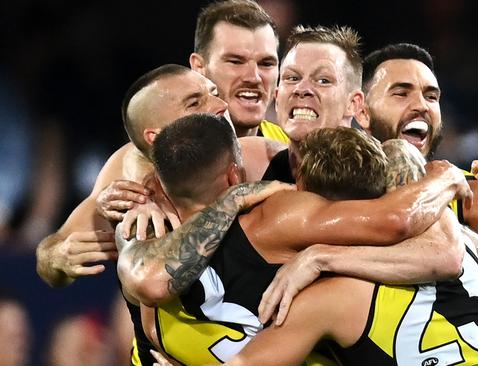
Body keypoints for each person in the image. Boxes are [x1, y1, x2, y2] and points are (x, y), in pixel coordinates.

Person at [117, 114, 470, 365]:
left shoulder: (137, 246)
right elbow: (397, 220)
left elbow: (149, 280)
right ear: (234, 175)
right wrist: (443, 176)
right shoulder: (279, 219)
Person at [35, 64, 290, 366]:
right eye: (195, 103)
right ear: (155, 137)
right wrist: (58, 257)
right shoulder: (127, 183)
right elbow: (50, 261)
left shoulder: (265, 157)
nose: (221, 106)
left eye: (213, 94)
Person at [259, 42, 478, 322]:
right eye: (401, 93)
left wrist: (439, 221)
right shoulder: (331, 187)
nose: (421, 106)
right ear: (361, 111)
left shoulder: (470, 190)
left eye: (431, 96)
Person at [188, 0, 288, 140]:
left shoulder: (293, 152)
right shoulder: (166, 152)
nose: (254, 77)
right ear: (199, 67)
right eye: (236, 62)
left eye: (266, 63)